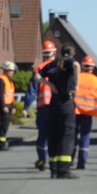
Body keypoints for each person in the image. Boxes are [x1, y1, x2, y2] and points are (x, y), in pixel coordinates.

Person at [41, 43, 80, 179]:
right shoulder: (70, 61)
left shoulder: (52, 64)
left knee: (53, 135)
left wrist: (50, 85)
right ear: (72, 53)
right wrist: (76, 84)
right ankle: (64, 170)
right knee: (67, 135)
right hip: (66, 102)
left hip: (54, 103)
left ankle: (53, 170)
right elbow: (76, 66)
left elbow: (36, 75)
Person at [25, 40, 57, 170]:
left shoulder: (38, 69)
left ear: (43, 54)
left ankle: (42, 160)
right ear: (54, 52)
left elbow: (32, 90)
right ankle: (54, 162)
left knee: (42, 135)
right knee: (56, 135)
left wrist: (26, 107)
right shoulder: (60, 67)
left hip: (44, 108)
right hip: (57, 107)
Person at [73, 55, 97, 169]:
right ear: (93, 68)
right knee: (85, 136)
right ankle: (82, 161)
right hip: (88, 113)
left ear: (82, 66)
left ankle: (69, 158)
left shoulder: (75, 78)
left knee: (72, 136)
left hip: (75, 111)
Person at [0, 61, 16, 151]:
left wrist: (12, 106)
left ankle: (2, 142)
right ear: (6, 70)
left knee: (6, 124)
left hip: (9, 105)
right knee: (4, 124)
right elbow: (1, 94)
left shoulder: (9, 80)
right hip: (3, 105)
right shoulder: (1, 80)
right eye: (11, 70)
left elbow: (11, 94)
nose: (12, 72)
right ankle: (0, 144)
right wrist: (3, 106)